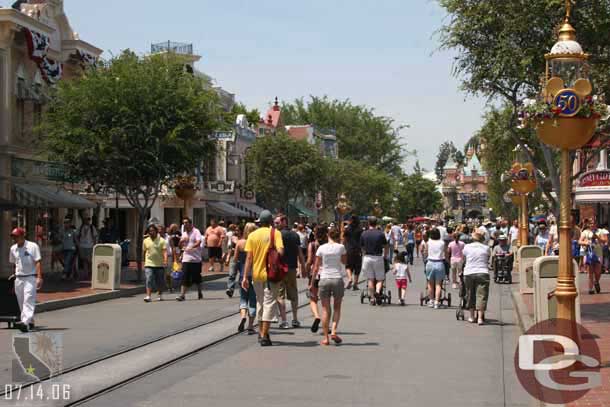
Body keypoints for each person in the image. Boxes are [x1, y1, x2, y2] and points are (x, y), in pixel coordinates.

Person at [241, 210, 284, 346]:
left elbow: (249, 258)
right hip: (271, 275)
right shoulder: (275, 233)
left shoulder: (252, 235)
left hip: (256, 275)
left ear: (260, 222)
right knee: (269, 304)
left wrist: (244, 277)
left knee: (260, 304)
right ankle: (265, 335)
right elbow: (281, 251)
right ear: (271, 222)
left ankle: (261, 333)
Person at [312, 227, 347, 345]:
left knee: (325, 309)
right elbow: (344, 262)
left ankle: (326, 337)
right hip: (337, 279)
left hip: (324, 278)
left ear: (328, 235)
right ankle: (334, 330)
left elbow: (316, 267)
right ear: (338, 237)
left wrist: (312, 283)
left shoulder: (321, 248)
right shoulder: (341, 247)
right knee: (337, 307)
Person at [8, 228, 43, 333]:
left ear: (23, 236)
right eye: (13, 236)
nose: (14, 239)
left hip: (30, 277)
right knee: (22, 301)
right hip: (19, 278)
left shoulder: (33, 246)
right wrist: (14, 274)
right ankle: (30, 321)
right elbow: (14, 263)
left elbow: (38, 262)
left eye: (16, 236)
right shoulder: (13, 248)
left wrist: (39, 277)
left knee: (28, 299)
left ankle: (24, 322)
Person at [276, 215, 305, 329]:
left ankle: (284, 321)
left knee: (280, 295)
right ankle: (295, 319)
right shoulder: (295, 235)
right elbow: (299, 252)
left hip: (280, 269)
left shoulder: (277, 235)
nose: (275, 224)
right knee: (293, 294)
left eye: (277, 222)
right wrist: (303, 266)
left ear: (284, 222)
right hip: (292, 268)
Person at [463, 232, 491, 325]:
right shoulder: (486, 248)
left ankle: (471, 316)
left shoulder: (467, 247)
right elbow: (487, 258)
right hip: (482, 272)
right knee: (481, 295)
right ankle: (480, 318)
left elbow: (464, 258)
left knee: (470, 293)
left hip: (469, 272)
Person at [234, 223, 257, 334]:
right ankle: (251, 326)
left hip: (243, 274)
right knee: (253, 300)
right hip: (254, 274)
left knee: (243, 298)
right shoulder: (256, 243)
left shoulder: (240, 243)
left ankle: (243, 316)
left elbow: (235, 259)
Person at [360, 216, 388, 306]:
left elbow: (362, 247)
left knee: (370, 279)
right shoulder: (380, 234)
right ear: (377, 223)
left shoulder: (364, 234)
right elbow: (386, 246)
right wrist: (385, 255)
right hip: (378, 257)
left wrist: (364, 254)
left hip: (367, 257)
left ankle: (372, 298)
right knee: (380, 279)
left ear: (369, 223)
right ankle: (377, 291)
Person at [306, 224, 327, 333]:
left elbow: (309, 261)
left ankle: (317, 316)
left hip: (315, 274)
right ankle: (326, 325)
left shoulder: (313, 245)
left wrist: (305, 269)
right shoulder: (329, 245)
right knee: (325, 302)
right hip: (326, 274)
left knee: (313, 299)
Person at [176, 217, 203, 301]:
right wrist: (181, 242)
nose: (185, 224)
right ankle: (182, 295)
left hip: (195, 259)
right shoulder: (184, 234)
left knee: (196, 278)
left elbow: (199, 242)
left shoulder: (196, 231)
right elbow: (180, 246)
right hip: (186, 258)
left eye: (186, 222)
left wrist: (191, 247)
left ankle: (199, 291)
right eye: (184, 223)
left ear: (190, 223)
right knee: (184, 277)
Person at [143, 224, 168, 302]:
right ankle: (148, 296)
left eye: (153, 231)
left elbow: (164, 252)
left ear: (156, 231)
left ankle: (160, 294)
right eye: (150, 231)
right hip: (149, 263)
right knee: (149, 279)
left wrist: (165, 261)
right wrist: (144, 261)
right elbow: (144, 251)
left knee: (159, 281)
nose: (151, 232)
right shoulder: (145, 240)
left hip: (159, 264)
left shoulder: (162, 240)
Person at [425, 228, 446, 309]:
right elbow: (445, 253)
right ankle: (437, 302)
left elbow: (426, 252)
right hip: (439, 262)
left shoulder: (428, 242)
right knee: (438, 284)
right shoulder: (442, 243)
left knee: (430, 283)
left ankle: (431, 300)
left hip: (430, 262)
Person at [580, 223, 602, 294]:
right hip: (589, 252)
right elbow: (579, 241)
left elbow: (604, 241)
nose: (592, 225)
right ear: (588, 224)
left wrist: (597, 237)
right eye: (591, 224)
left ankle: (596, 282)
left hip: (598, 252)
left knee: (598, 272)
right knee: (590, 272)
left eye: (593, 223)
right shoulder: (585, 232)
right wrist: (585, 243)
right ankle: (590, 288)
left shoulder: (600, 231)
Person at [344, 215, 363, 290]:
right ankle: (355, 284)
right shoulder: (360, 230)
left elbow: (344, 240)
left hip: (349, 249)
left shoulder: (347, 229)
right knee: (357, 267)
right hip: (358, 250)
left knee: (348, 266)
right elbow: (362, 240)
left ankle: (349, 279)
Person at [76, 215, 97, 280]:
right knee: (84, 260)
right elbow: (76, 236)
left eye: (88, 219)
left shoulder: (92, 227)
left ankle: (90, 272)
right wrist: (78, 244)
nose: (87, 221)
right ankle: (86, 274)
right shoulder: (81, 227)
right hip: (82, 246)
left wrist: (95, 245)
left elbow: (95, 236)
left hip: (90, 246)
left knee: (89, 261)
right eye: (86, 219)